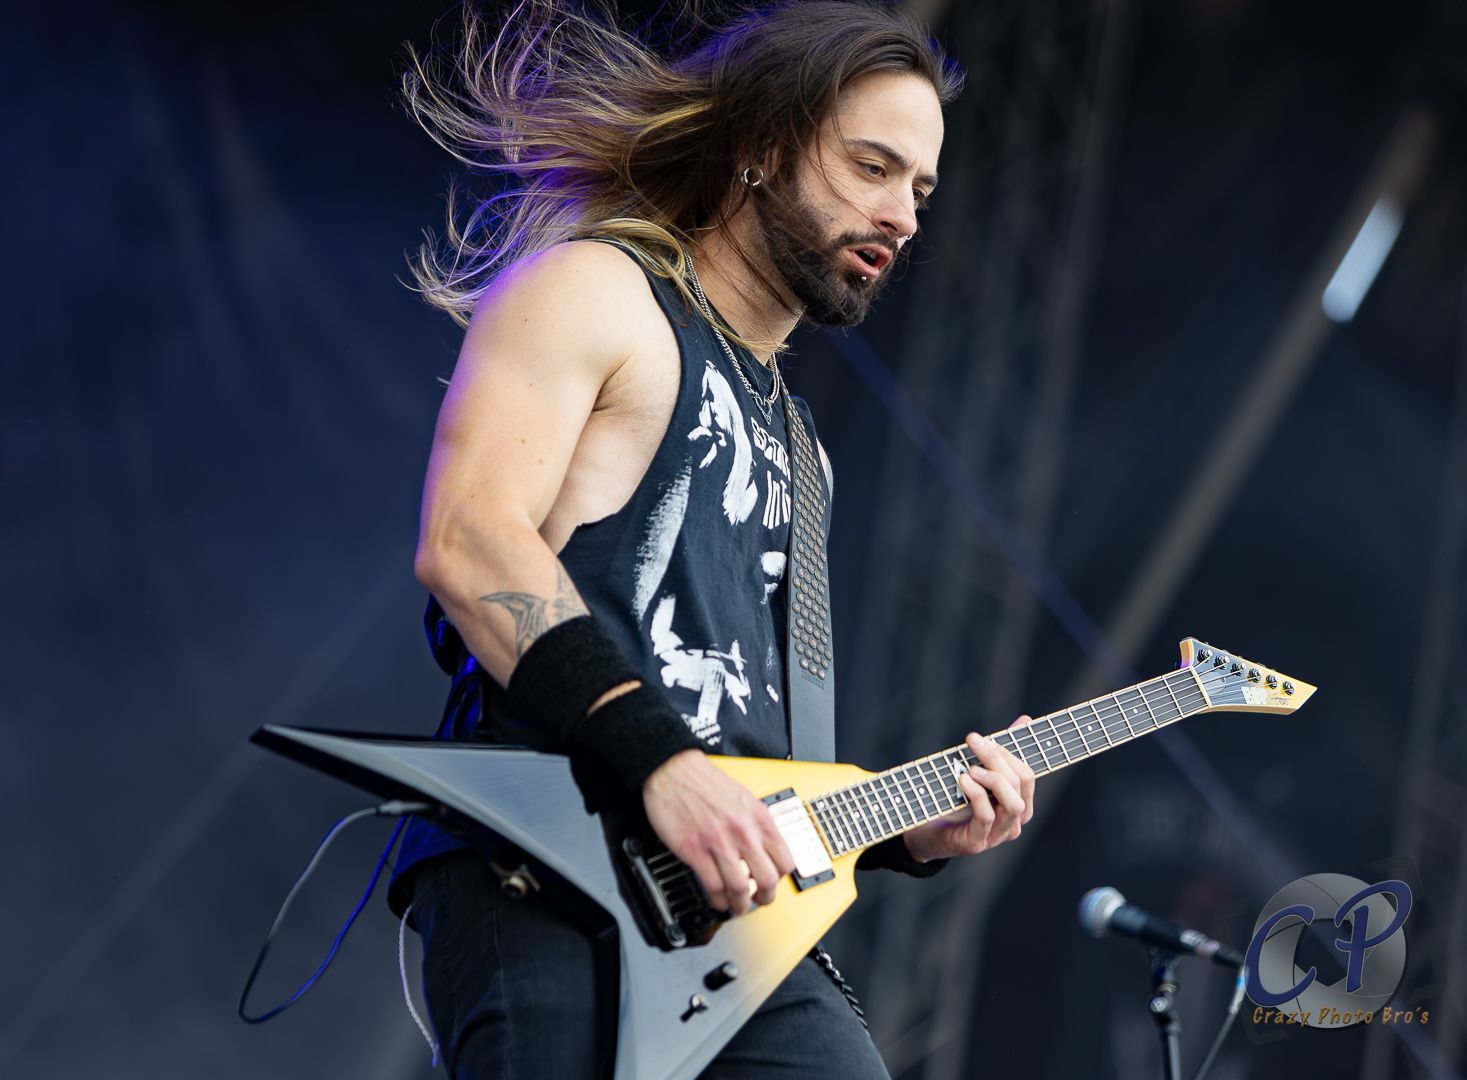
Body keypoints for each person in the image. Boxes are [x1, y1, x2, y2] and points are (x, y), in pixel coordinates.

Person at [384, 2, 1037, 1076]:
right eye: (871, 167)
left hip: (733, 923)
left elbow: (755, 755)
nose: (903, 215)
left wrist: (902, 832)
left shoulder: (803, 451)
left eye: (919, 190)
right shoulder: (595, 293)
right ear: (762, 147)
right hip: (545, 862)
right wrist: (661, 764)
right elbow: (468, 541)